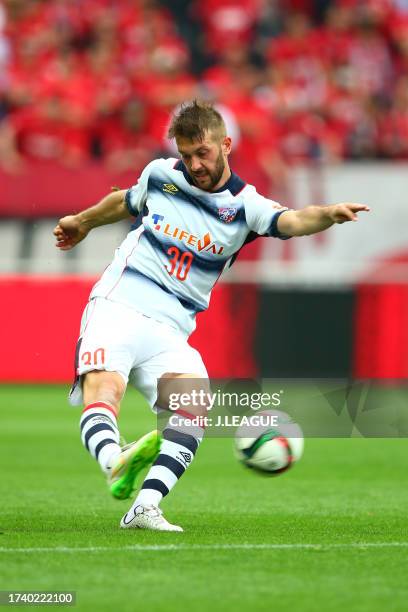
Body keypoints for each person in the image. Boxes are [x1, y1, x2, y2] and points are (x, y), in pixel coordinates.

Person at [54, 100, 369, 532]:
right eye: (186, 154)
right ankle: (114, 460)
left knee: (194, 408)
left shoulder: (245, 206)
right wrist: (82, 222)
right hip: (120, 302)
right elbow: (125, 202)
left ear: (226, 144)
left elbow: (293, 220)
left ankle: (145, 506)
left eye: (202, 153)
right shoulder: (161, 175)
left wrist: (329, 215)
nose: (194, 164)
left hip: (172, 328)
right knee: (105, 387)